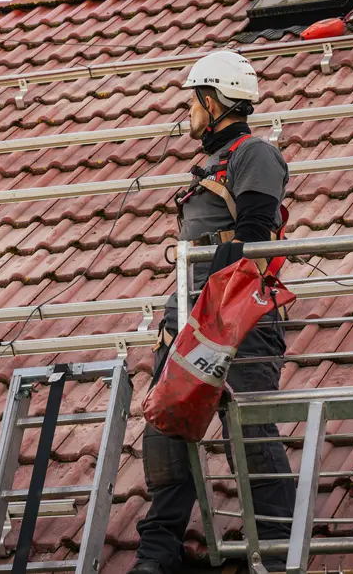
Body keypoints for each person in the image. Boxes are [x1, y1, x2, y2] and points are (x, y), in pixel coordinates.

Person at [130, 52, 296, 574]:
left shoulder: (255, 153)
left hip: (239, 318)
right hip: (191, 320)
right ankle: (159, 551)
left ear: (212, 100)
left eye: (194, 100)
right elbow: (198, 255)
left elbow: (256, 225)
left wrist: (240, 248)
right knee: (166, 426)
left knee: (249, 429)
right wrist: (169, 318)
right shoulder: (212, 163)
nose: (189, 111)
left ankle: (273, 547)